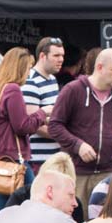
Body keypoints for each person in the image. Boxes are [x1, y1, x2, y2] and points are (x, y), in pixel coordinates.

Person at [49, 48, 112, 210]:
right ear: (100, 67)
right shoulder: (73, 91)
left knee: (106, 221)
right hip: (76, 173)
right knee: (75, 218)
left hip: (109, 173)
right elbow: (54, 125)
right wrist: (78, 145)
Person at [0, 47, 43, 216]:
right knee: (36, 204)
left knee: (2, 212)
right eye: (28, 68)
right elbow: (22, 126)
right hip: (14, 160)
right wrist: (42, 113)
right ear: (19, 67)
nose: (29, 73)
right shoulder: (13, 90)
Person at [21, 37, 66, 173]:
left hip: (54, 156)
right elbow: (33, 125)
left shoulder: (52, 79)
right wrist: (65, 135)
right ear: (42, 56)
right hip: (38, 159)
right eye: (56, 55)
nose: (61, 60)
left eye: (62, 55)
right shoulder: (31, 81)